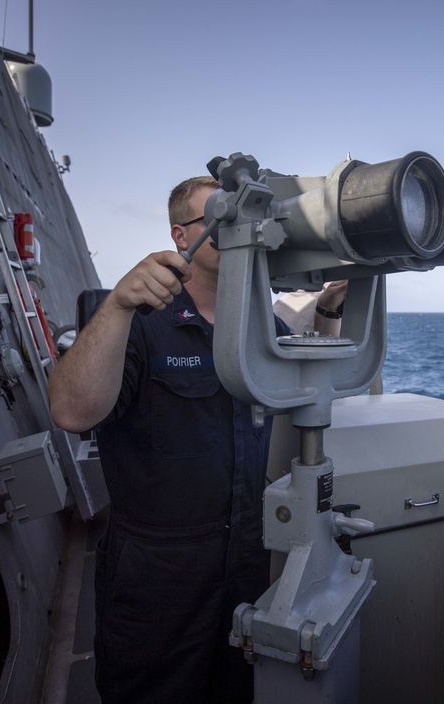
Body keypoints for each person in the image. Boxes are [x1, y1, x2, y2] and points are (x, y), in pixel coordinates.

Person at [48, 176, 339, 703]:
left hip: (245, 563)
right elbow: (71, 411)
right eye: (225, 217)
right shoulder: (138, 321)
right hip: (158, 577)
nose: (244, 230)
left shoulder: (262, 326)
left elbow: (315, 387)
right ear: (183, 237)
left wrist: (335, 302)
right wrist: (115, 307)